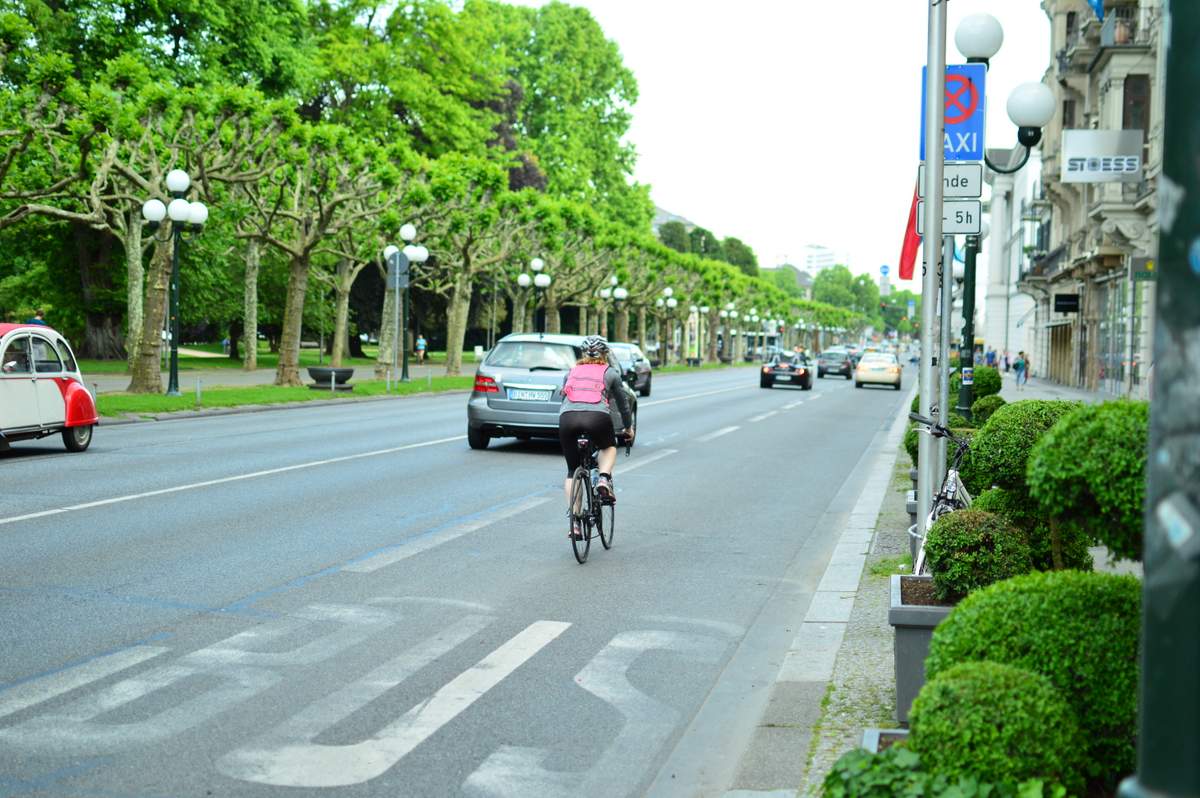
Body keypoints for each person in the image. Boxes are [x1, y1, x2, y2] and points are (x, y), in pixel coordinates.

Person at [558, 336, 634, 539]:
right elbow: (623, 405)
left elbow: (563, 396)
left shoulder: (571, 372)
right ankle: (603, 478)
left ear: (583, 355)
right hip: (597, 418)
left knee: (572, 470)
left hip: (567, 419)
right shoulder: (611, 373)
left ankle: (574, 523)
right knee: (608, 447)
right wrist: (628, 428)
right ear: (605, 354)